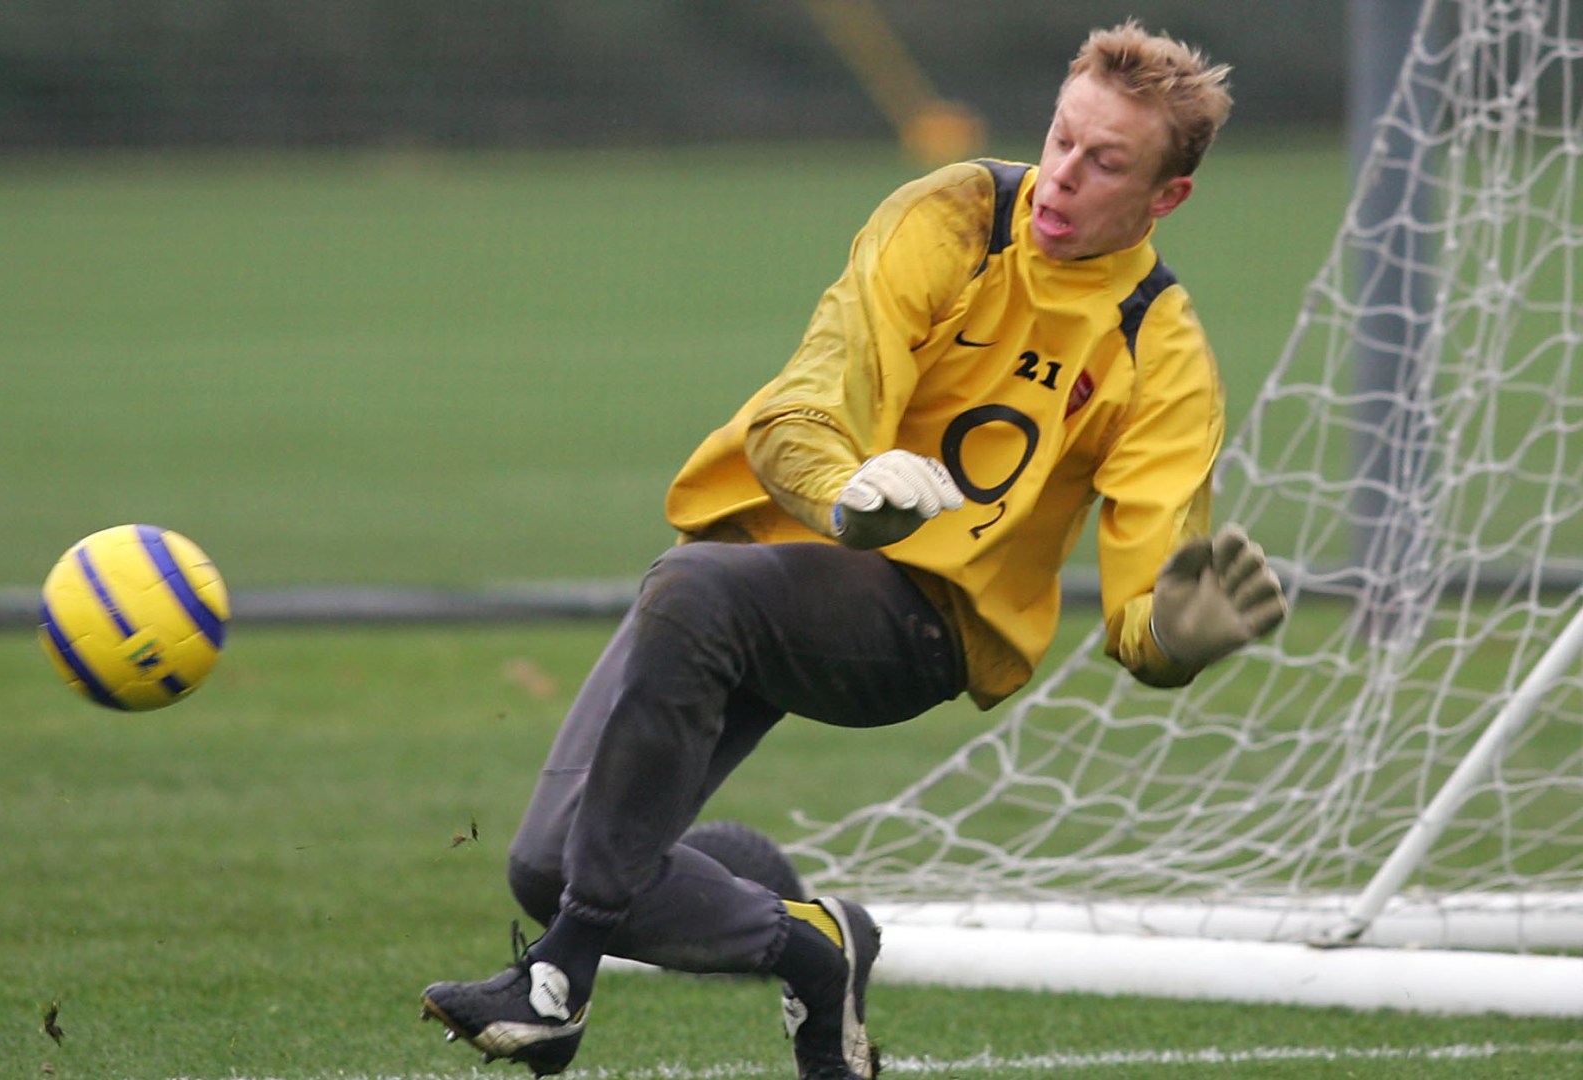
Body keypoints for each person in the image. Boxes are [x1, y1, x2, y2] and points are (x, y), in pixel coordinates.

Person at [419, 19, 1286, 1080]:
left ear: (1166, 198)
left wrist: (1175, 639)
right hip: (773, 559)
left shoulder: (1163, 353)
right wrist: (847, 497)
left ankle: (555, 988)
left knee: (688, 591)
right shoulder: (954, 213)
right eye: (1062, 138)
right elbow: (804, 413)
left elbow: (1143, 613)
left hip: (918, 625)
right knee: (556, 863)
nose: (1061, 176)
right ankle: (815, 946)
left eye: (1105, 163)